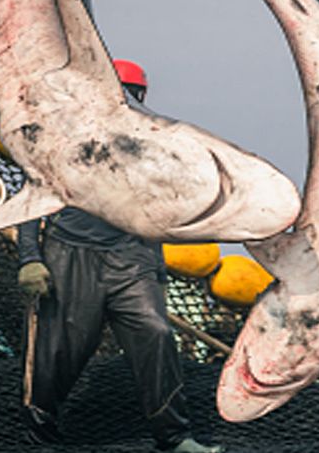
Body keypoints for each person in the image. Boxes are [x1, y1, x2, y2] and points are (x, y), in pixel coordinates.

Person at [17, 59, 223, 453]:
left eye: (133, 93)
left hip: (132, 258)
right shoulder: (58, 139)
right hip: (70, 254)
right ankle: (39, 437)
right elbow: (31, 200)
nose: (126, 99)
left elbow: (168, 207)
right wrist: (30, 257)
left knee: (156, 333)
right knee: (59, 350)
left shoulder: (154, 144)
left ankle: (175, 438)